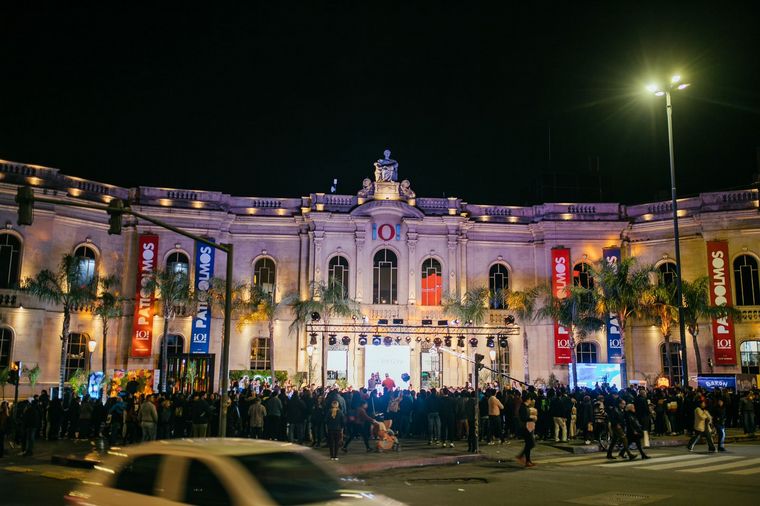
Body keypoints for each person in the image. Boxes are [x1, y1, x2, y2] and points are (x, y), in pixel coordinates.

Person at [515, 396, 537, 468]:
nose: (531, 401)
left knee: (529, 444)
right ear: (528, 399)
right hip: (525, 427)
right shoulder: (523, 407)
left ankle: (528, 460)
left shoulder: (525, 407)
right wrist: (532, 418)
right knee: (531, 443)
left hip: (528, 427)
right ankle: (522, 456)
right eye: (530, 399)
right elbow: (524, 417)